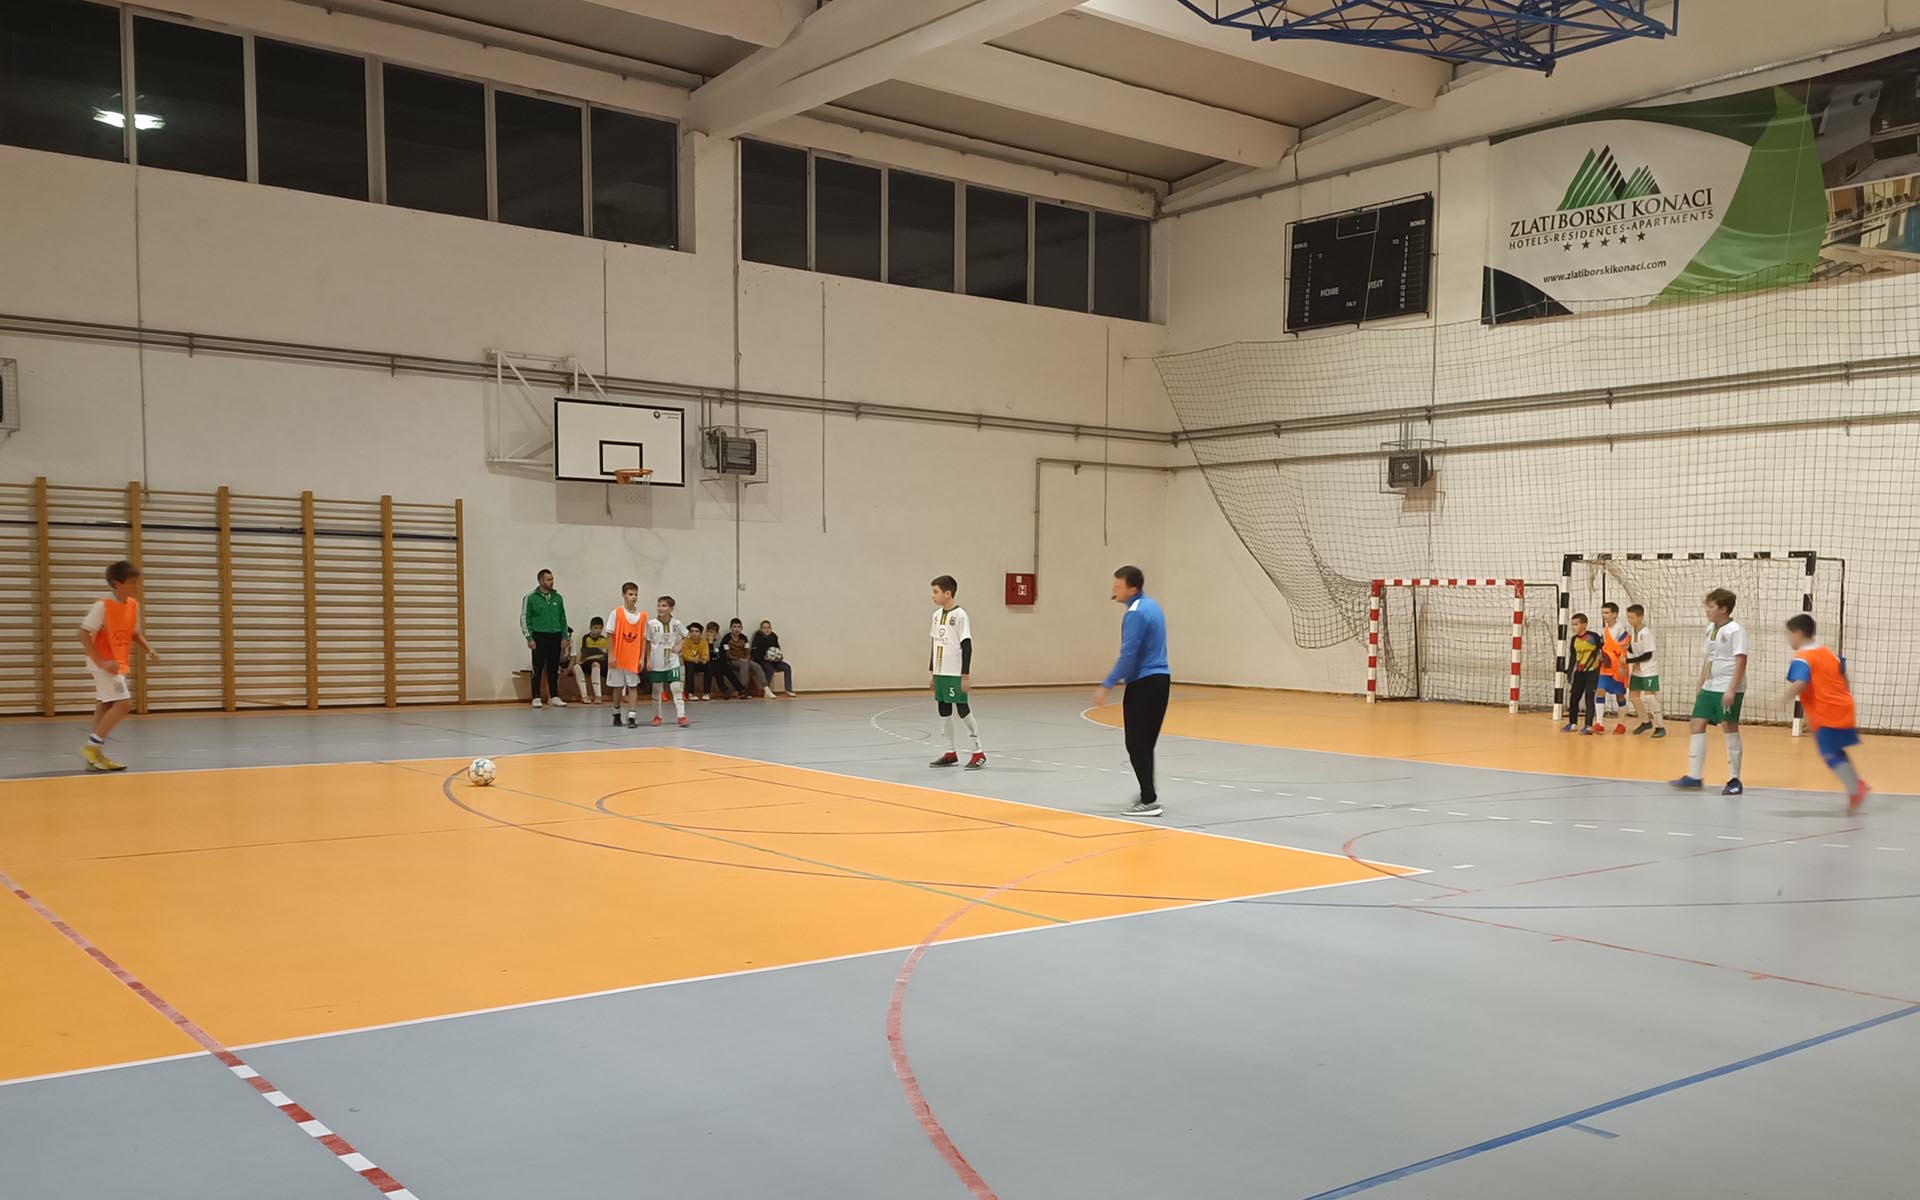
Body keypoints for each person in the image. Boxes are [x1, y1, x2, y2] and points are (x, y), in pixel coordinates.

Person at [1092, 565, 1170, 817]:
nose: (1114, 590)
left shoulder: (1135, 613)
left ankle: (1149, 800)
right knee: (1145, 744)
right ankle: (1148, 793)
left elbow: (1128, 655)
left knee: (1136, 744)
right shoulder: (1152, 606)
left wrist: (1108, 684)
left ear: (1132, 588)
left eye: (1118, 586)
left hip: (1143, 684)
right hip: (1161, 681)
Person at [1784, 614, 1869, 812]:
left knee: (1829, 753)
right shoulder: (1829, 653)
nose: (1788, 639)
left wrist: (1783, 698)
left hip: (1826, 711)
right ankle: (1857, 785)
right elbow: (1843, 676)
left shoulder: (1802, 658)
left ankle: (1856, 789)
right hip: (1844, 706)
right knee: (1836, 749)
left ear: (1798, 633)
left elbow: (1801, 682)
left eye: (1789, 635)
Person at [79, 560, 157, 772]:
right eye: (132, 582)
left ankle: (94, 757)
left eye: (137, 582)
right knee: (123, 705)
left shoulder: (133, 605)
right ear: (117, 584)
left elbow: (134, 634)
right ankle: (91, 747)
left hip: (116, 663)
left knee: (106, 705)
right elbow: (83, 633)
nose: (137, 586)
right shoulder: (102, 606)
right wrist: (101, 661)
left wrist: (148, 648)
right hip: (103, 663)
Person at [1672, 588, 1748, 795]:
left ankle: (1734, 779)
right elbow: (1710, 657)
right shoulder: (1710, 629)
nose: (1707, 611)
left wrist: (1731, 690)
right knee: (1696, 723)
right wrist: (1701, 681)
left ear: (1723, 609)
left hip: (1727, 685)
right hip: (1710, 685)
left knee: (1729, 727)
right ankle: (1694, 776)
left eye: (1711, 607)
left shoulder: (1735, 630)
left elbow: (1741, 660)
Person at [927, 575, 986, 770]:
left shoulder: (960, 616)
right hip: (941, 672)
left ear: (947, 593)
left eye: (935, 592)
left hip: (955, 672)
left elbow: (967, 646)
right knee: (943, 709)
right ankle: (950, 752)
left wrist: (965, 675)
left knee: (962, 709)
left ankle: (978, 752)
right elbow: (934, 643)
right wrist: (933, 672)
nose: (933, 596)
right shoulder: (936, 615)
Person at [521, 568, 568, 708]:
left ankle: (554, 695)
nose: (552, 582)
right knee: (538, 668)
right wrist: (529, 637)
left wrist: (564, 636)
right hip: (539, 636)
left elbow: (563, 618)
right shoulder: (530, 597)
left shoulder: (558, 597)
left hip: (555, 635)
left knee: (554, 668)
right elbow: (524, 618)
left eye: (552, 579)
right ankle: (536, 696)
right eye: (549, 579)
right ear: (541, 581)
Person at [606, 582, 647, 729]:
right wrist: (611, 655)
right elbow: (609, 635)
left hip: (633, 657)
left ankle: (632, 716)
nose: (633, 597)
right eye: (630, 594)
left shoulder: (642, 616)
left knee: (632, 686)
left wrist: (642, 658)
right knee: (617, 687)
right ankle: (616, 713)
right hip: (618, 656)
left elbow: (644, 639)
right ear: (623, 595)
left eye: (635, 594)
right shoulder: (616, 613)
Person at [1625, 604, 1666, 738]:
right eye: (1628, 617)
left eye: (1632, 617)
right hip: (1637, 670)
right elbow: (1635, 649)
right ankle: (1645, 722)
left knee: (1649, 697)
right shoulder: (1633, 631)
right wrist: (1626, 648)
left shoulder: (1646, 633)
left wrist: (1629, 661)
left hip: (1648, 670)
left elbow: (1648, 654)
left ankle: (1660, 726)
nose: (1629, 620)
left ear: (1640, 617)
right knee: (1633, 697)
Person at [647, 595, 689, 727]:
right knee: (657, 690)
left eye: (664, 606)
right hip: (656, 661)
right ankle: (657, 716)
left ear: (671, 608)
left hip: (672, 660)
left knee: (676, 688)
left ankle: (681, 716)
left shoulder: (676, 623)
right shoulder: (651, 624)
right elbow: (647, 642)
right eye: (659, 605)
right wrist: (648, 659)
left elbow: (686, 635)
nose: (660, 608)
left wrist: (680, 645)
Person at [1562, 614, 1602, 734]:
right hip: (1579, 673)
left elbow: (1602, 650)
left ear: (1584, 625)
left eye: (1576, 624)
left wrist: (1601, 664)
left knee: (1589, 698)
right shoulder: (1574, 640)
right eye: (1572, 625)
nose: (1574, 627)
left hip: (1592, 672)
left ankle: (1588, 725)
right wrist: (1570, 672)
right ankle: (1572, 723)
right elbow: (1573, 657)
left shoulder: (1593, 636)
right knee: (1574, 698)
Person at [1597, 602, 1632, 735]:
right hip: (1606, 666)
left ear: (1615, 614)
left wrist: (1622, 666)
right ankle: (1599, 723)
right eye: (1602, 613)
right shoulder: (1604, 630)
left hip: (1618, 666)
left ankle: (1621, 724)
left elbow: (1624, 648)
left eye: (1606, 613)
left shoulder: (1620, 629)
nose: (1604, 615)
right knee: (1600, 690)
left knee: (1620, 695)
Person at [724, 618, 774, 699]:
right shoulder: (726, 638)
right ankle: (742, 690)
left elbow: (747, 651)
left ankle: (766, 688)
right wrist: (739, 659)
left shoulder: (744, 638)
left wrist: (747, 658)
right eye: (734, 627)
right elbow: (727, 654)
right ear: (731, 628)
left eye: (738, 627)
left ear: (741, 628)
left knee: (756, 666)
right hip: (733, 661)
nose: (736, 629)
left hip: (744, 660)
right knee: (744, 664)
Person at [753, 620, 797, 696]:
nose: (767, 630)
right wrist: (765, 657)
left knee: (787, 667)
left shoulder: (773, 636)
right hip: (762, 660)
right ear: (761, 629)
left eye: (768, 628)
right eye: (764, 628)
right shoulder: (757, 637)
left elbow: (777, 648)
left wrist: (779, 656)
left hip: (774, 660)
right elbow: (754, 653)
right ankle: (766, 690)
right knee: (769, 669)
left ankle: (788, 689)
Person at [577, 617, 609, 704]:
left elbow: (606, 654)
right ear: (590, 628)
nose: (598, 631)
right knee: (595, 663)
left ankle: (600, 696)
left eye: (600, 628)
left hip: (601, 663)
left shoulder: (604, 640)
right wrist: (599, 650)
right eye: (595, 628)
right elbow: (585, 651)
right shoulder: (586, 638)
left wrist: (596, 652)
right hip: (587, 662)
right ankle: (597, 695)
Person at [705, 621, 739, 699]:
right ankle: (724, 689)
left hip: (718, 661)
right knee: (716, 669)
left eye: (712, 632)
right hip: (708, 662)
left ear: (716, 633)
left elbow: (719, 653)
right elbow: (710, 655)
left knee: (726, 668)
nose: (710, 634)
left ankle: (740, 689)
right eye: (708, 632)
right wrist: (710, 643)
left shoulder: (719, 641)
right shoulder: (704, 641)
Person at [680, 621, 711, 700]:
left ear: (700, 633)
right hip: (690, 662)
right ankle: (691, 693)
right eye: (692, 631)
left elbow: (705, 654)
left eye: (696, 631)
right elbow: (685, 655)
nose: (694, 633)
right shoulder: (686, 641)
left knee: (709, 666)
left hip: (699, 662)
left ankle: (706, 693)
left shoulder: (704, 641)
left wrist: (704, 659)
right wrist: (693, 659)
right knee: (689, 666)